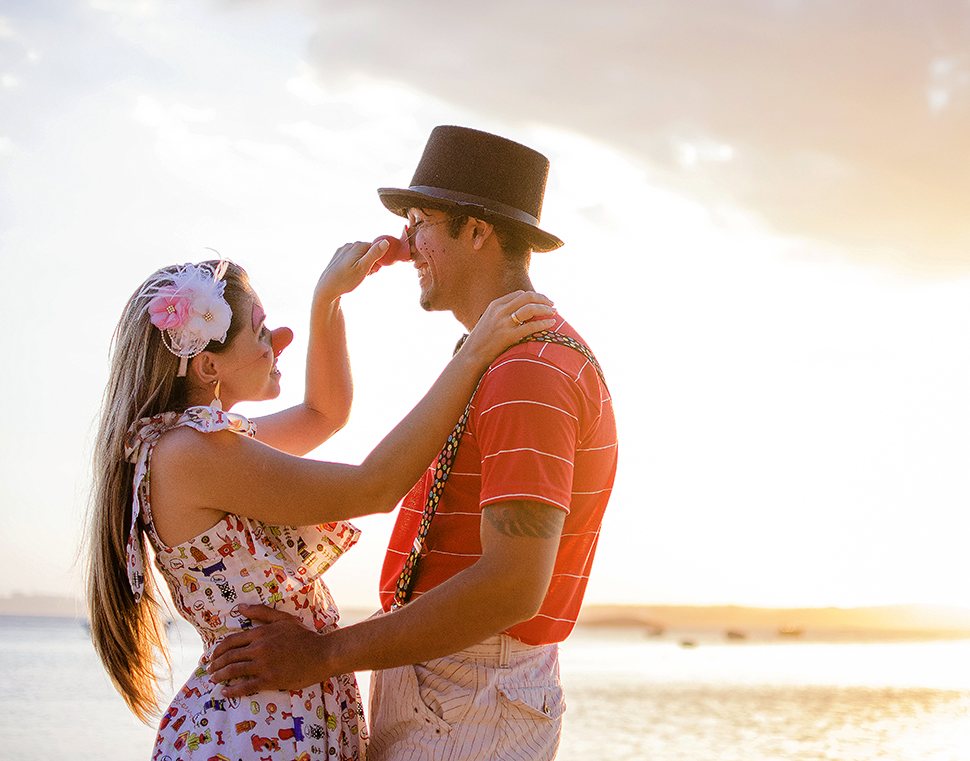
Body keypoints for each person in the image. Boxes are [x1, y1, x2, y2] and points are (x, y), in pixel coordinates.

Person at [208, 126, 619, 760]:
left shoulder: (528, 371)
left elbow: (513, 586)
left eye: (420, 222)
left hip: (473, 691)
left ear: (476, 232)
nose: (405, 244)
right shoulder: (498, 356)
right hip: (452, 680)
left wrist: (322, 654)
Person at [86, 239, 555, 760]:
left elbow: (322, 413)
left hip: (275, 713)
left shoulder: (197, 442)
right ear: (208, 367)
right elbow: (375, 486)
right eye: (260, 332)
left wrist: (327, 300)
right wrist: (473, 354)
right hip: (253, 731)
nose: (278, 341)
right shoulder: (189, 454)